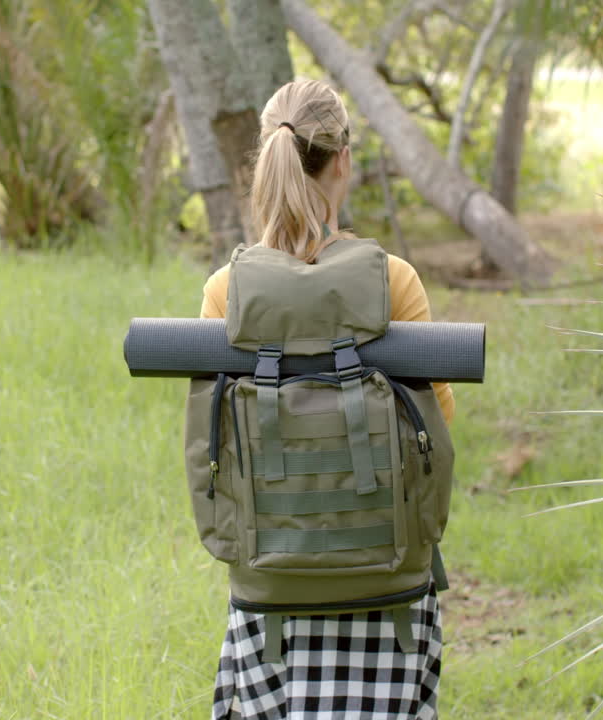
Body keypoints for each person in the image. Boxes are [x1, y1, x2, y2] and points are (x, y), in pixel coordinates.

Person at [198, 79, 456, 720]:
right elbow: (438, 430)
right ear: (343, 160)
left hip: (269, 587)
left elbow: (215, 449)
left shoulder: (227, 290)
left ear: (268, 159)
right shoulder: (393, 281)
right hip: (390, 584)